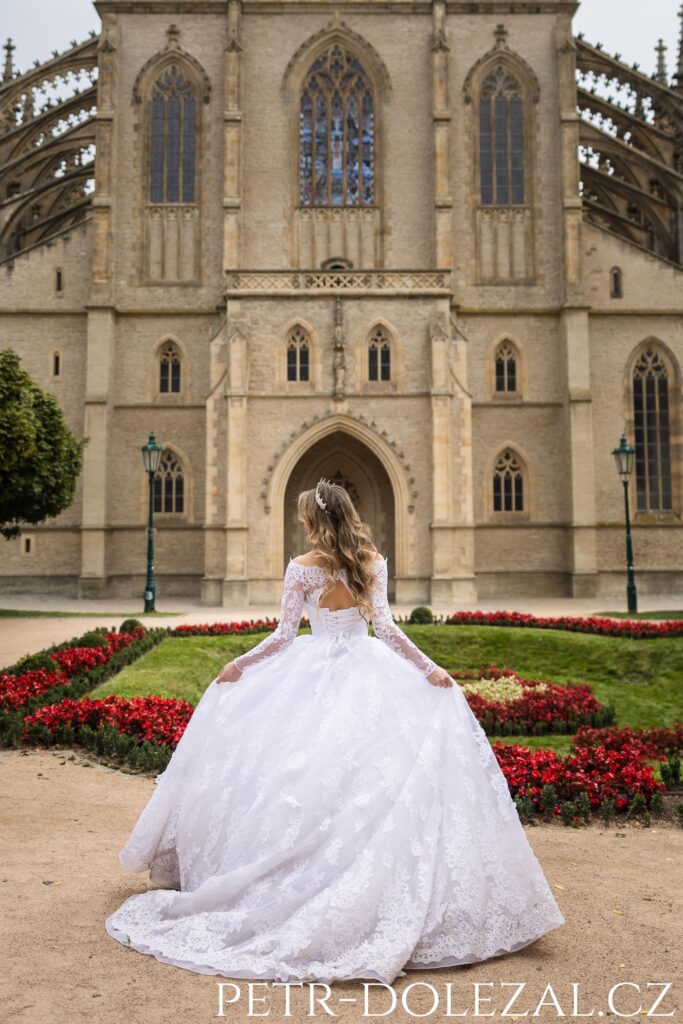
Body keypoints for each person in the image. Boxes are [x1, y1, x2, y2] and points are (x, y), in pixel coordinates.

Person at [105, 478, 565, 984]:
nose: (302, 523)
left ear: (314, 521)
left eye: (305, 517)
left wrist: (238, 663)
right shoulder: (373, 562)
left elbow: (283, 637)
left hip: (312, 672)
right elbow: (386, 630)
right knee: (367, 778)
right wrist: (429, 669)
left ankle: (299, 873)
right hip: (370, 670)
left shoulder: (301, 568)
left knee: (300, 776)